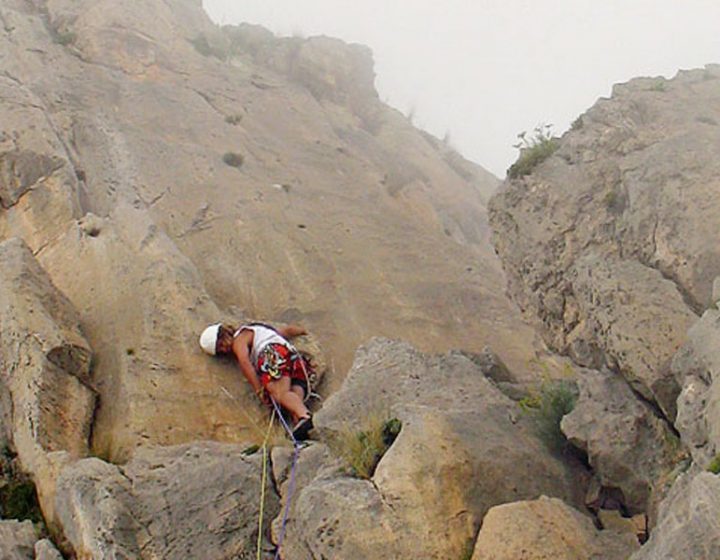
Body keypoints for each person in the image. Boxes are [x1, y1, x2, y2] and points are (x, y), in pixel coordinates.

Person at [199, 322, 314, 440]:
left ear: (223, 334)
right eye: (220, 351)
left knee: (279, 393)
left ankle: (304, 416)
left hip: (272, 354)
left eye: (221, 345)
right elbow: (287, 331)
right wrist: (303, 331)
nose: (224, 350)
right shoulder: (263, 331)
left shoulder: (239, 339)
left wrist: (259, 389)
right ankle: (303, 429)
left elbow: (244, 362)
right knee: (294, 397)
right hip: (294, 358)